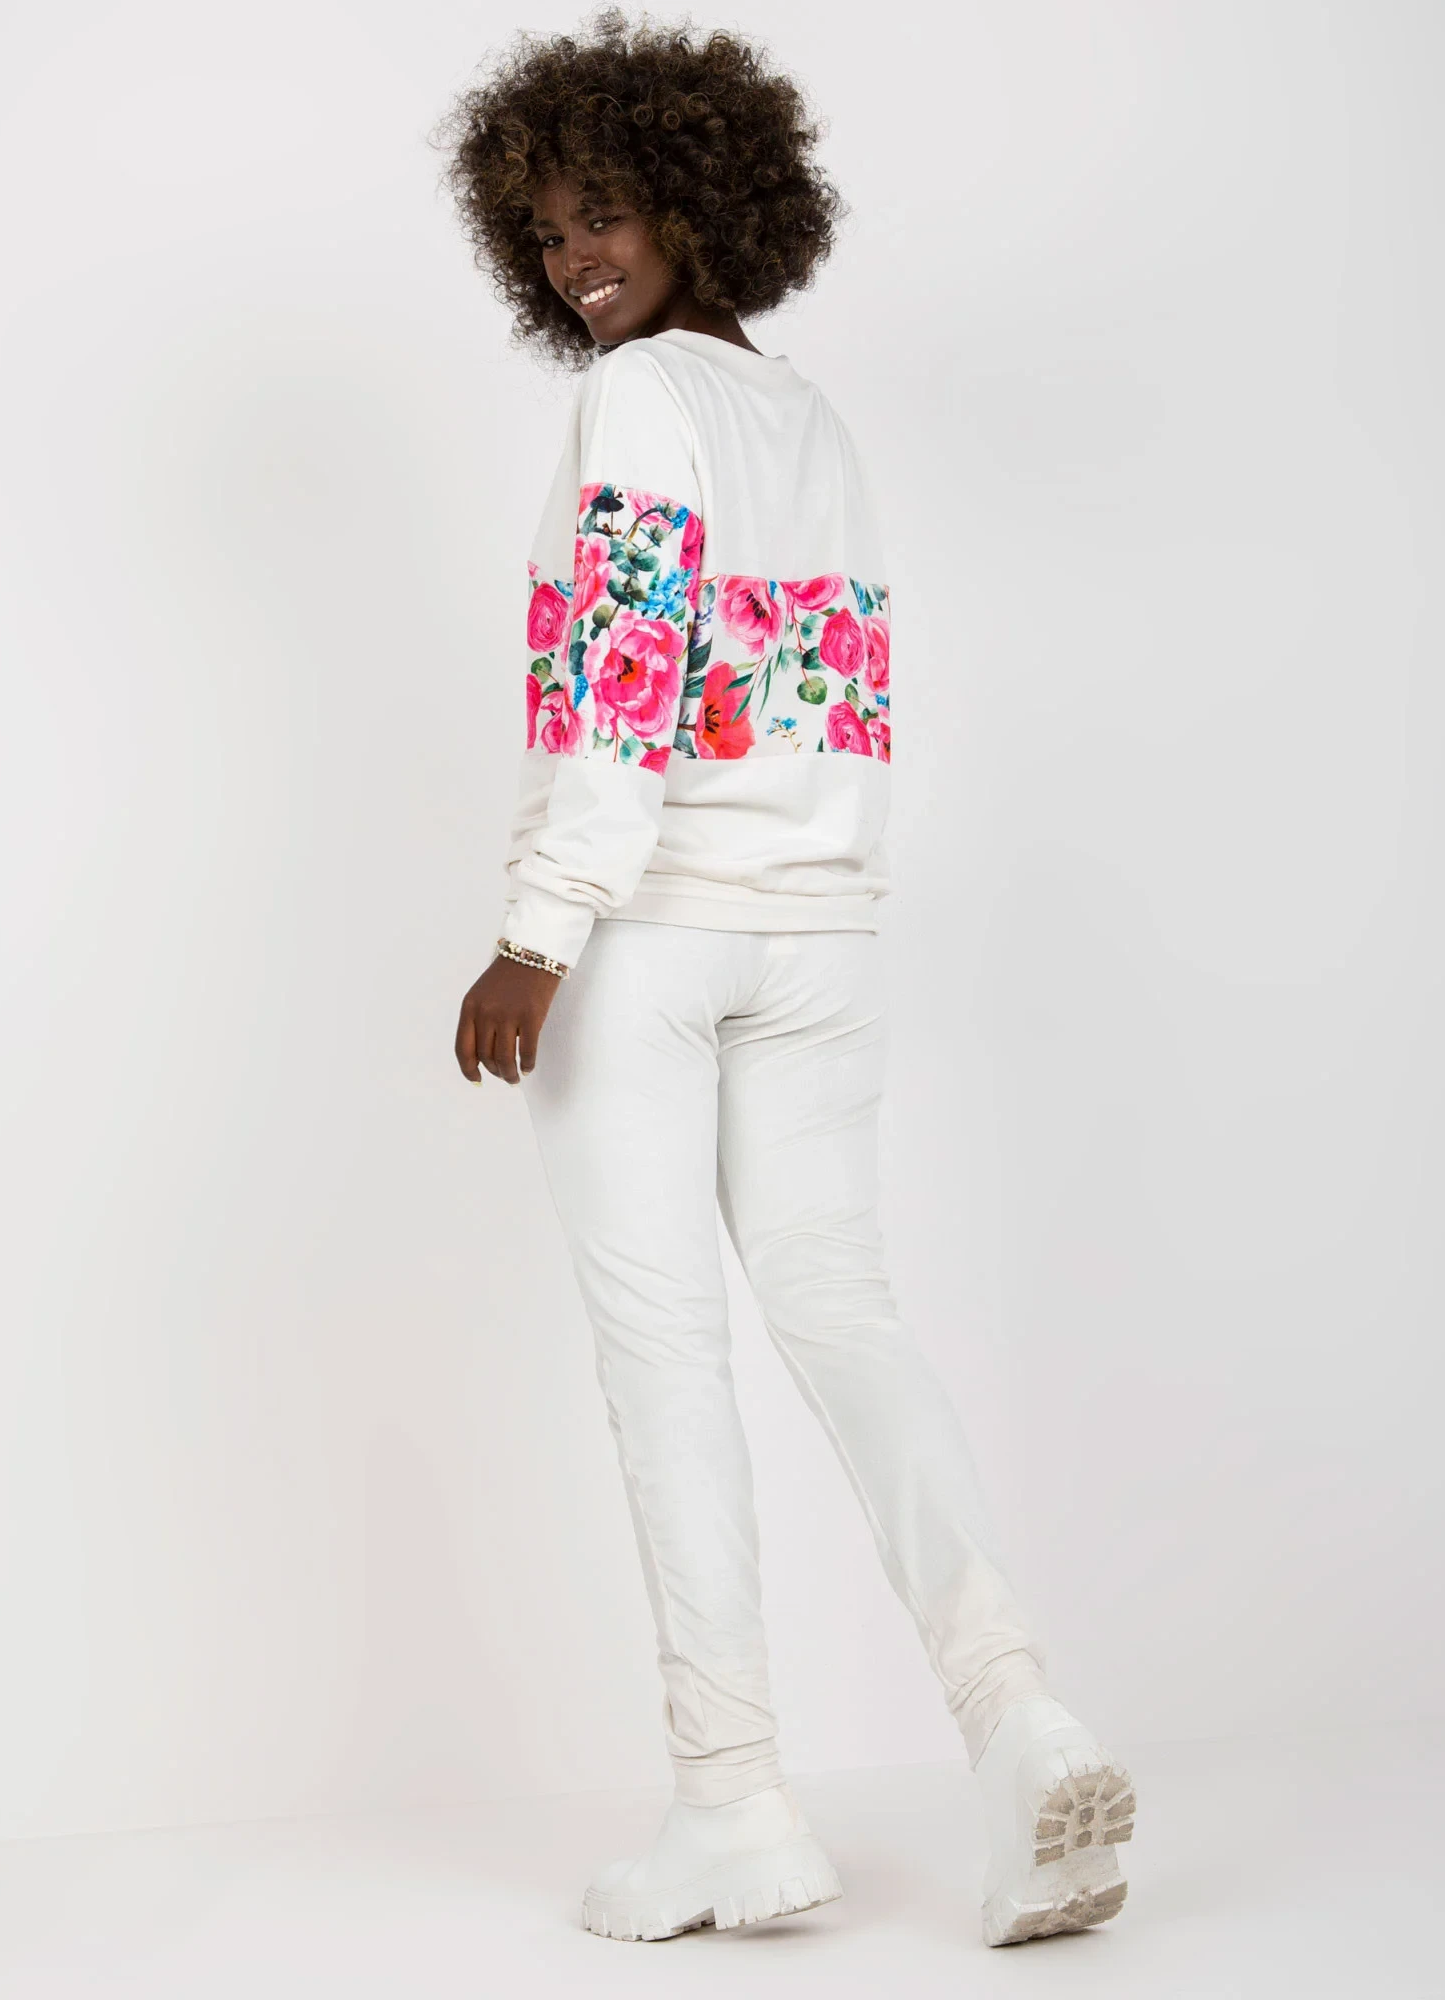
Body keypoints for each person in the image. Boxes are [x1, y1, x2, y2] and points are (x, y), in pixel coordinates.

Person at [436, 7, 1135, 1949]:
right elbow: (834, 698)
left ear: (698, 199)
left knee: (668, 1356)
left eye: (603, 214)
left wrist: (539, 929)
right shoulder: (807, 422)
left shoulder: (641, 400)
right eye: (545, 234)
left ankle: (733, 1803)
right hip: (825, 937)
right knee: (848, 1316)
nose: (575, 262)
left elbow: (628, 671)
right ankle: (1018, 1713)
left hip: (652, 939)